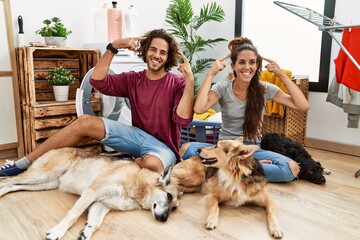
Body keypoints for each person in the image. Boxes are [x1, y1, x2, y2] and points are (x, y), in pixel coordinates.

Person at [0, 29, 194, 177]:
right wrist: (113, 47)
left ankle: (133, 162)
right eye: (153, 49)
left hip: (164, 148)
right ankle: (23, 163)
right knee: (85, 121)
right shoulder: (133, 79)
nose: (156, 55)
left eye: (162, 52)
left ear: (168, 57)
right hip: (137, 137)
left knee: (152, 165)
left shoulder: (177, 83)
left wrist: (190, 83)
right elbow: (98, 81)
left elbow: (183, 120)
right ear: (145, 51)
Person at [180, 37, 310, 182]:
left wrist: (281, 74)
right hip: (224, 148)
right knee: (186, 149)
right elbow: (199, 109)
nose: (247, 67)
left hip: (252, 149)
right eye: (242, 62)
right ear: (233, 66)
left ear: (257, 65)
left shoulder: (265, 89)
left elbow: (303, 106)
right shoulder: (223, 88)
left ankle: (232, 168)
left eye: (252, 62)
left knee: (291, 168)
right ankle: (245, 168)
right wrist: (211, 73)